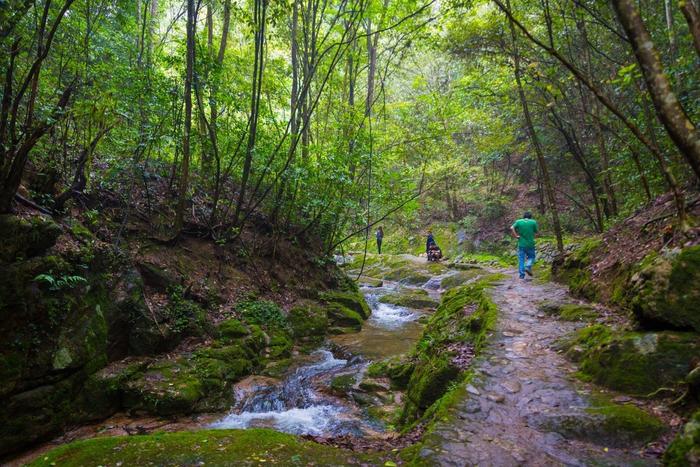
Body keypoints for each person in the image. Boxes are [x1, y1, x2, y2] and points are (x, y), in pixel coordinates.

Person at [511, 211, 538, 279]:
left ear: (524, 216)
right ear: (530, 216)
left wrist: (516, 236)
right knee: (531, 257)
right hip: (530, 244)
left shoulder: (519, 221)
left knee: (521, 259)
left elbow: (512, 228)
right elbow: (536, 232)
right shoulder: (533, 222)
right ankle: (528, 266)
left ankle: (521, 275)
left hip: (521, 244)